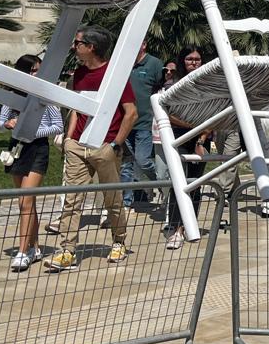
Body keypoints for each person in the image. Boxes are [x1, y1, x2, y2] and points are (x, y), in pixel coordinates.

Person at [45, 26, 138, 272]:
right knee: (72, 200)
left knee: (112, 199)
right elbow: (76, 108)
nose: (74, 47)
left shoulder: (114, 76)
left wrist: (115, 144)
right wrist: (68, 138)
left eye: (78, 43)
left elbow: (131, 114)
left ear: (91, 47)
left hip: (105, 147)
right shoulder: (78, 74)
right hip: (77, 145)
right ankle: (67, 250)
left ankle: (119, 241)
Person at [0, 54, 63, 272]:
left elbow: (57, 126)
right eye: (34, 70)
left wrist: (35, 132)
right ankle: (33, 247)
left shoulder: (46, 95)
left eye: (39, 70)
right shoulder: (13, 96)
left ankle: (23, 251)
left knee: (26, 201)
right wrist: (8, 123)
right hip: (17, 148)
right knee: (25, 203)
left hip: (37, 149)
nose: (37, 74)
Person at [163, 47, 209, 249]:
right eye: (190, 59)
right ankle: (175, 228)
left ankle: (188, 226)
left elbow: (214, 115)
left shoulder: (208, 85)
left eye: (197, 59)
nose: (194, 62)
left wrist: (201, 138)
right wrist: (192, 127)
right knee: (179, 183)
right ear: (182, 61)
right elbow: (166, 113)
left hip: (201, 138)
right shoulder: (173, 85)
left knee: (195, 183)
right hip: (179, 137)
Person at [122, 40, 166, 209]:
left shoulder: (154, 64)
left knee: (142, 161)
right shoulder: (123, 63)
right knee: (126, 165)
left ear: (145, 44)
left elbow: (161, 89)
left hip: (144, 123)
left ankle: (164, 184)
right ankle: (126, 201)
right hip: (124, 123)